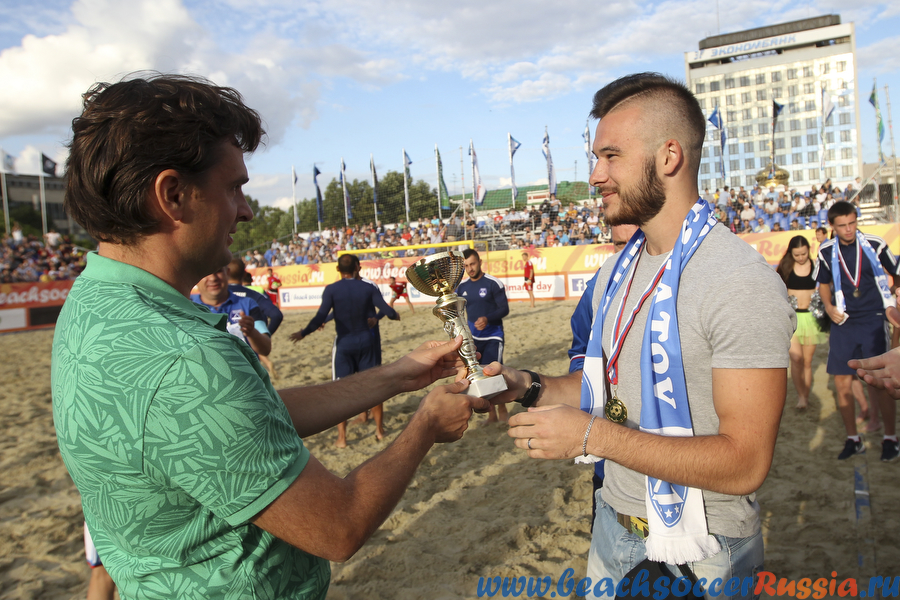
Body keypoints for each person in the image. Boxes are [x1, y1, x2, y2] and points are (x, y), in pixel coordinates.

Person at [52, 74, 486, 599]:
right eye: (233, 187)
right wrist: (425, 426)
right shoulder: (184, 359)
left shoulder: (95, 300)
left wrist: (396, 376)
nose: (247, 210)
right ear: (172, 195)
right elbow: (337, 526)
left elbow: (240, 419)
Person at [482, 72, 794, 596]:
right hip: (612, 526)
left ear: (668, 156)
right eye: (595, 157)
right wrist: (526, 384)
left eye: (610, 156)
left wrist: (590, 436)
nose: (595, 175)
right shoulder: (617, 271)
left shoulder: (738, 281)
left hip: (705, 547)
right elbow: (602, 392)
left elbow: (745, 463)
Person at [814, 200, 900, 461]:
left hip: (875, 318)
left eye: (852, 223)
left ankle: (890, 438)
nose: (849, 229)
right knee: (841, 381)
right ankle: (853, 439)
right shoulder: (826, 249)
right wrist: (828, 307)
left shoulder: (875, 244)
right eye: (842, 226)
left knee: (881, 382)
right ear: (833, 226)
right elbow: (823, 284)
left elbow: (896, 271)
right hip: (844, 321)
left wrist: (894, 297)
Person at [290, 254, 400, 447]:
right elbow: (387, 310)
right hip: (367, 341)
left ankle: (342, 438)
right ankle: (380, 430)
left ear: (338, 270)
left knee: (340, 390)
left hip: (345, 343)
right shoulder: (367, 288)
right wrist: (393, 315)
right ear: (357, 267)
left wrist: (303, 333)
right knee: (374, 386)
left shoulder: (332, 289)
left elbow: (320, 317)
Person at [457, 248, 510, 423]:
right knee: (479, 375)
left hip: (493, 335)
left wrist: (488, 318)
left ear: (480, 262)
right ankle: (491, 413)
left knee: (494, 372)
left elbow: (504, 309)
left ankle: (502, 408)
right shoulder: (462, 287)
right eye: (466, 265)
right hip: (474, 339)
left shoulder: (493, 283)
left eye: (472, 264)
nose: (470, 268)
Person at [776, 236, 827, 409]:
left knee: (807, 361)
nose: (800, 257)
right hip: (793, 318)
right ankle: (801, 397)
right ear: (791, 253)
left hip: (811, 318)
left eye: (803, 254)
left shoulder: (816, 267)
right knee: (796, 359)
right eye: (796, 254)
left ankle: (805, 394)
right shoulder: (785, 268)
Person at [193, 266, 273, 357]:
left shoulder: (248, 304)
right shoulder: (187, 309)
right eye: (206, 273)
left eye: (218, 271)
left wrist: (252, 332)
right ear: (195, 277)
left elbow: (266, 349)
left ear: (227, 273)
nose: (213, 278)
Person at [228, 257, 282, 379]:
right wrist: (264, 336)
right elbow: (276, 315)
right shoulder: (255, 294)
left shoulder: (215, 298)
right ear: (244, 274)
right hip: (250, 358)